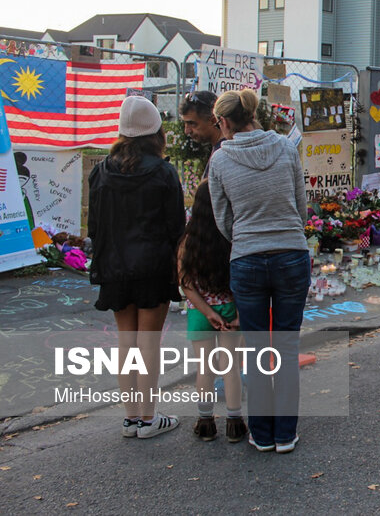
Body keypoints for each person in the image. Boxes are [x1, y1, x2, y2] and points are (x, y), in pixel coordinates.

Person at [209, 89, 310, 454]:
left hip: (247, 259)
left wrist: (248, 238)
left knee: (255, 350)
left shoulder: (220, 162)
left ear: (223, 121)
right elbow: (302, 206)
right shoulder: (285, 148)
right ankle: (285, 434)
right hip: (291, 254)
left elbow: (224, 220)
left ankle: (262, 434)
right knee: (286, 345)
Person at [88, 96, 185, 438]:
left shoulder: (101, 171)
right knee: (149, 343)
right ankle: (148, 418)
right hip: (153, 266)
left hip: (114, 267)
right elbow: (177, 227)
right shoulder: (163, 172)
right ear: (155, 132)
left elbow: (94, 226)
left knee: (126, 342)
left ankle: (131, 418)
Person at [178, 181, 247, 443]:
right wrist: (239, 312)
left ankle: (205, 422)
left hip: (199, 313)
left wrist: (207, 312)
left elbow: (186, 284)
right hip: (230, 308)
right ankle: (234, 422)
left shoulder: (188, 241)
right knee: (231, 368)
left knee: (204, 370)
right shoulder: (232, 235)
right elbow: (242, 278)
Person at [180, 91, 223, 177]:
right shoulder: (220, 150)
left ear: (213, 120)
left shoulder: (223, 157)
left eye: (192, 123)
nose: (187, 131)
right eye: (185, 124)